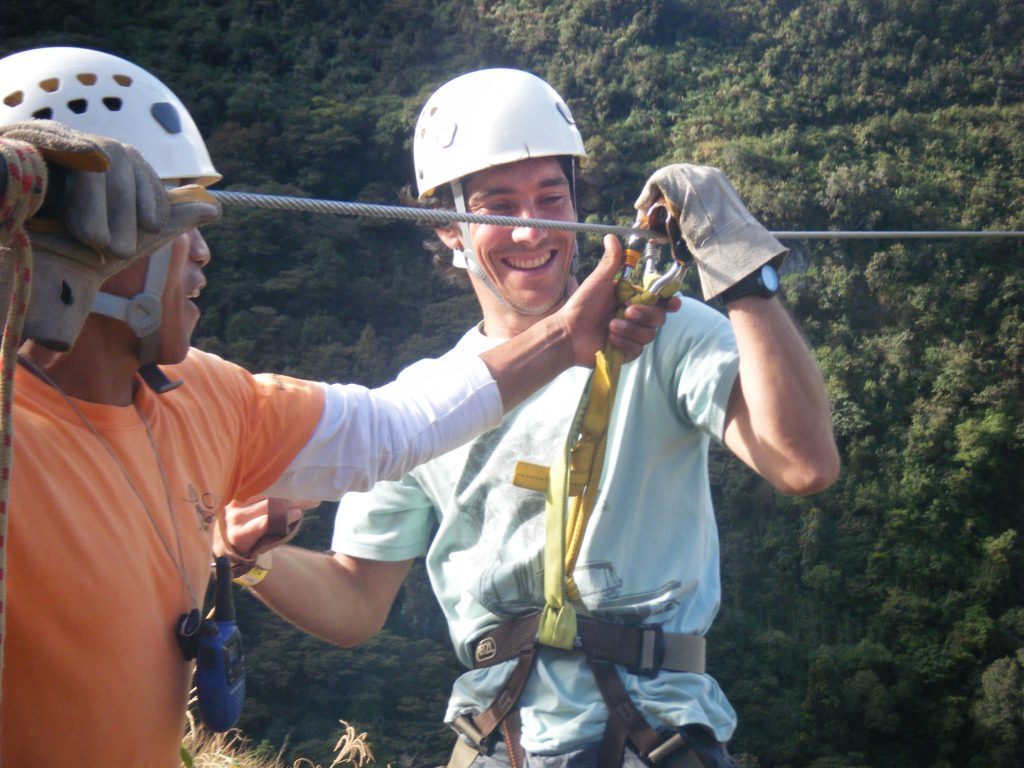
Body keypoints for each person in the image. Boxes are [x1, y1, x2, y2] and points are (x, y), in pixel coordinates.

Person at [0, 50, 670, 767]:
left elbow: (395, 426)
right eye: (169, 223)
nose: (201, 254)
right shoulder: (20, 437)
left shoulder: (206, 397)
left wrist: (567, 336)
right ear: (74, 242)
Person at [227, 68, 841, 767]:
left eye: (552, 198)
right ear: (452, 230)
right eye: (497, 206)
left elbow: (804, 463)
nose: (530, 228)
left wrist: (739, 268)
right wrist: (254, 560)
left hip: (658, 739)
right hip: (499, 743)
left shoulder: (667, 334)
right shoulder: (427, 406)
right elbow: (356, 603)